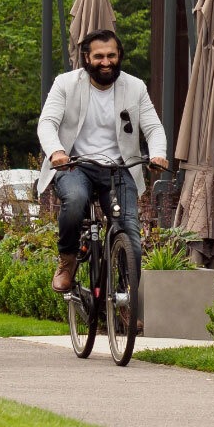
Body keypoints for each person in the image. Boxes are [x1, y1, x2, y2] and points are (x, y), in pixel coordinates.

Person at [37, 29, 168, 293]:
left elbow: (153, 127)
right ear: (86, 58)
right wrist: (56, 152)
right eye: (99, 56)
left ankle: (126, 296)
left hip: (119, 168)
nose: (106, 62)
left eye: (111, 55)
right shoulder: (65, 83)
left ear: (119, 56)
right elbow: (47, 123)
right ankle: (67, 261)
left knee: (130, 231)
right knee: (75, 201)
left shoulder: (135, 87)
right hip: (74, 165)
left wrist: (158, 153)